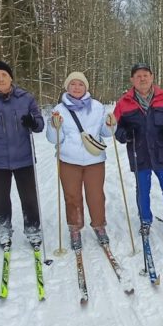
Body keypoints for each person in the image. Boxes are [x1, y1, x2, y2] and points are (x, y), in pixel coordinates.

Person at [0, 60, 45, 250]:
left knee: (29, 197)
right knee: (1, 198)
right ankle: (3, 230)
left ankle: (33, 229)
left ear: (11, 77)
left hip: (24, 157)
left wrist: (32, 122)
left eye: (4, 75)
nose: (0, 79)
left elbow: (39, 125)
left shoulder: (25, 98)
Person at [113, 63, 163, 235]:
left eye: (145, 75)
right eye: (138, 76)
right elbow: (115, 127)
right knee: (143, 190)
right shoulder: (123, 102)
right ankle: (145, 220)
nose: (142, 78)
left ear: (152, 77)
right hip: (140, 153)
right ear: (132, 80)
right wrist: (125, 134)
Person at [46, 72, 113, 252]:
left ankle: (99, 226)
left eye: (80, 84)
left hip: (95, 160)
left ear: (86, 87)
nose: (77, 87)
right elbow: (53, 139)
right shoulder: (58, 109)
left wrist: (110, 124)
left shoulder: (98, 107)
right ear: (67, 87)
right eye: (73, 84)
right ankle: (75, 228)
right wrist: (54, 126)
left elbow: (106, 134)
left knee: (96, 195)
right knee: (72, 196)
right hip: (68, 160)